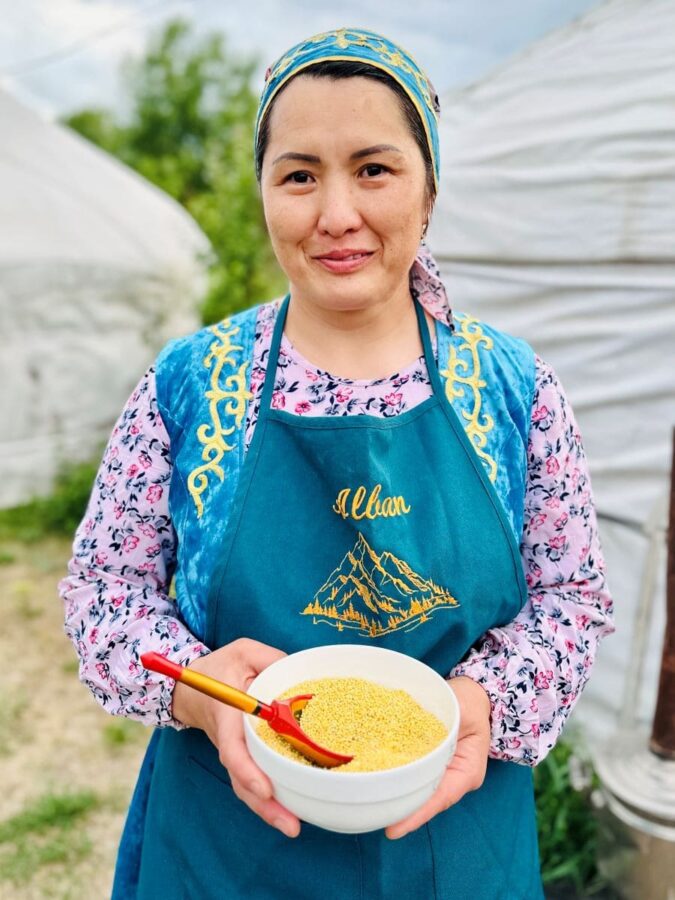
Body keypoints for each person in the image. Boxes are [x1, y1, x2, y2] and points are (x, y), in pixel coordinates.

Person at [59, 27, 614, 900]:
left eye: (374, 168)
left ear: (428, 187)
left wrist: (477, 708)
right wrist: (199, 694)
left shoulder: (512, 391)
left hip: (453, 838)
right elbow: (101, 592)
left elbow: (572, 599)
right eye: (299, 174)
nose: (336, 214)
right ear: (265, 194)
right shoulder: (191, 387)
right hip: (223, 842)